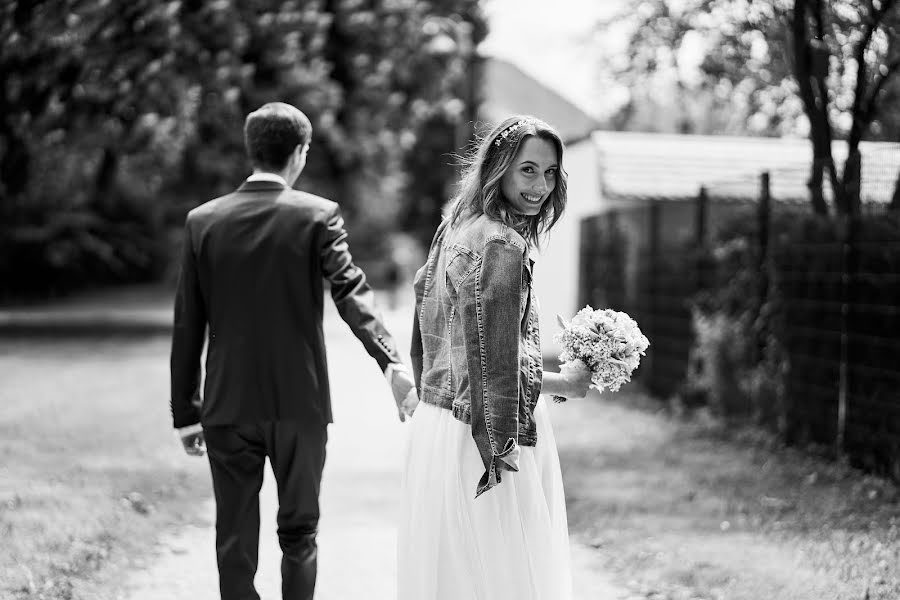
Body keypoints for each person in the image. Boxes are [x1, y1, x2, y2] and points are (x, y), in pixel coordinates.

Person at [169, 101, 418, 600]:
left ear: (250, 149)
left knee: (234, 539)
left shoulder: (203, 221)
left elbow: (188, 324)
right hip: (298, 405)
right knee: (300, 533)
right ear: (300, 154)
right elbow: (351, 292)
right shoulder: (317, 216)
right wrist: (389, 359)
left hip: (227, 405)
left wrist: (186, 413)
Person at [398, 115, 592, 600]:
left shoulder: (453, 228)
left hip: (440, 426)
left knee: (455, 579)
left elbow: (425, 323)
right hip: (490, 434)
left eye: (550, 173)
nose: (541, 186)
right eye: (528, 170)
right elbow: (494, 368)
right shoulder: (503, 244)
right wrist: (566, 383)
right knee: (505, 577)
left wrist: (424, 390)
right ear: (498, 167)